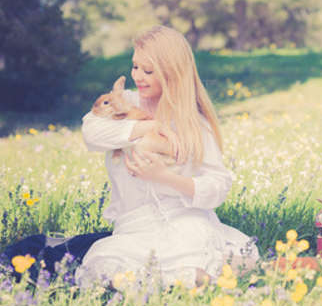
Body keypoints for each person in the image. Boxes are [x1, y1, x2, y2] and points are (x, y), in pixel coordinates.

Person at [75, 25, 259, 288]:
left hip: (185, 217)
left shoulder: (193, 122)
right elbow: (91, 132)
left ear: (173, 73)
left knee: (208, 249)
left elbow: (218, 185)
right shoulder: (123, 105)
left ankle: (176, 278)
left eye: (149, 71)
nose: (138, 76)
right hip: (136, 224)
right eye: (135, 66)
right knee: (102, 263)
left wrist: (164, 177)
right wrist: (148, 127)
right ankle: (182, 279)